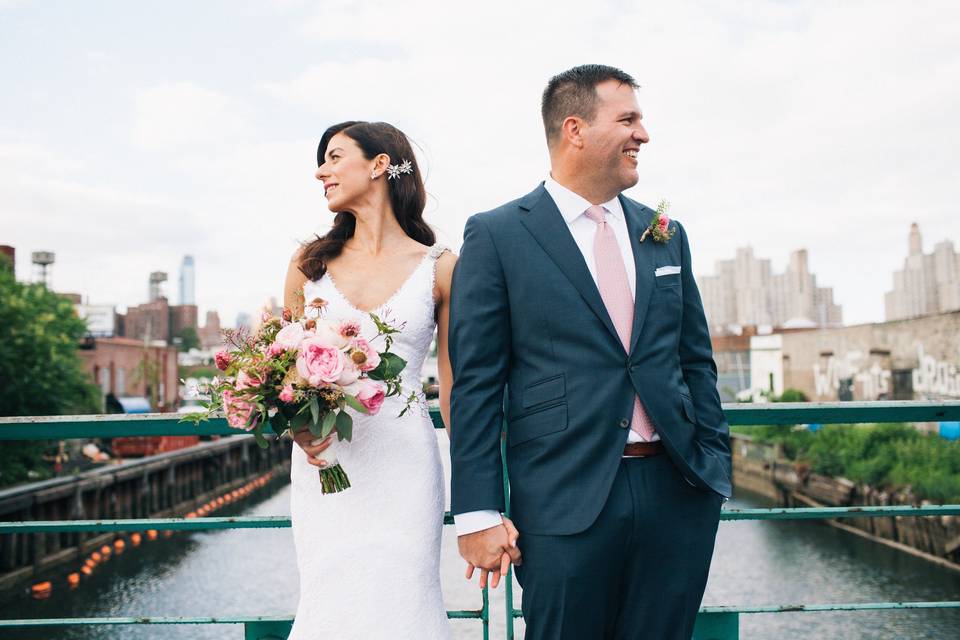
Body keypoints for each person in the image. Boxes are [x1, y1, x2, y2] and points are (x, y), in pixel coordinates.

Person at [449, 64, 732, 639]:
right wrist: (476, 512)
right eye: (627, 119)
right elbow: (477, 383)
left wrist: (712, 465)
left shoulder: (665, 232)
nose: (643, 135)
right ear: (575, 129)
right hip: (563, 503)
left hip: (677, 494)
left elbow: (695, 360)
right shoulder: (498, 234)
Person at [283, 121, 457, 639]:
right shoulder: (308, 265)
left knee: (404, 602)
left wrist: (479, 502)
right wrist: (298, 428)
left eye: (335, 157)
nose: (322, 171)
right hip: (326, 464)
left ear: (380, 164)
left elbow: (456, 392)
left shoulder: (441, 268)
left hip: (404, 466)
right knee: (331, 599)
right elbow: (280, 370)